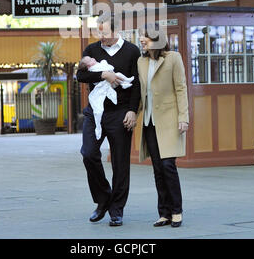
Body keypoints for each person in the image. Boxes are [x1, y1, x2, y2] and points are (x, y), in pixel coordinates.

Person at [77, 13, 141, 227]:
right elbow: (81, 76)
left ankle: (117, 210)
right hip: (95, 112)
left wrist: (133, 111)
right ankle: (103, 199)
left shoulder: (132, 51)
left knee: (121, 163)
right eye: (98, 31)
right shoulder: (92, 51)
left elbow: (138, 84)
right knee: (88, 153)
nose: (100, 36)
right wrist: (104, 75)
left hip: (121, 112)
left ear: (115, 30)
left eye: (103, 32)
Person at [137, 23, 189, 228]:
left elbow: (181, 88)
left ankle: (177, 210)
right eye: (142, 36)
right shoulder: (141, 61)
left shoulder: (173, 58)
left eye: (146, 37)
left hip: (169, 119)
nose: (142, 39)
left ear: (157, 40)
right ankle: (164, 213)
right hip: (149, 121)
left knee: (168, 166)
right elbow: (141, 91)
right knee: (158, 168)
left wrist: (183, 117)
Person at [78, 56, 134, 140]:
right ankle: (125, 82)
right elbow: (81, 76)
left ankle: (125, 82)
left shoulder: (130, 50)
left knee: (118, 75)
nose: (93, 58)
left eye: (91, 58)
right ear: (88, 66)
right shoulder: (93, 68)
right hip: (104, 86)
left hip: (118, 108)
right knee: (88, 151)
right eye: (90, 60)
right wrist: (105, 74)